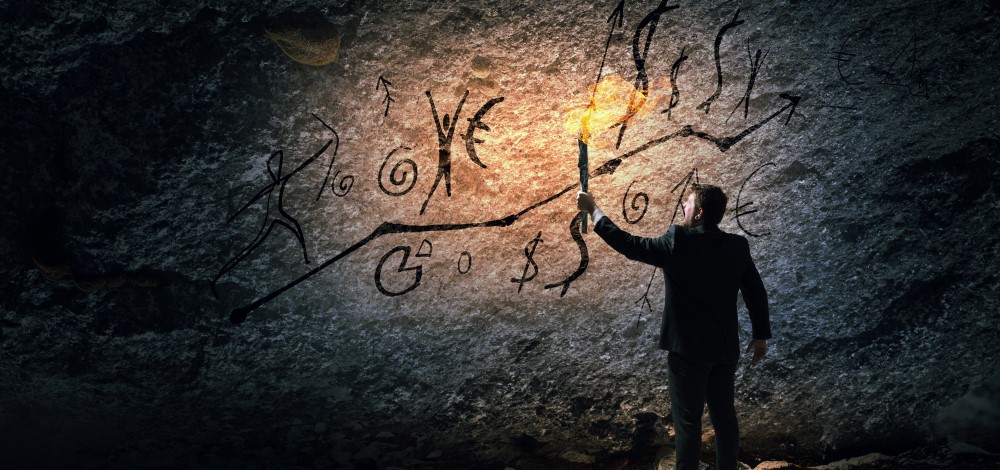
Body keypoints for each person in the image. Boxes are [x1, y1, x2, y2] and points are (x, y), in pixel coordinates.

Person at [577, 184, 771, 470]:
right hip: (723, 349)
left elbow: (630, 245)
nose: (684, 208)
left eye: (688, 203)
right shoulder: (736, 246)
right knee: (725, 419)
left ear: (699, 212)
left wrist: (594, 210)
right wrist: (760, 335)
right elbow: (756, 291)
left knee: (688, 425)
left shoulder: (679, 240)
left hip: (688, 354)